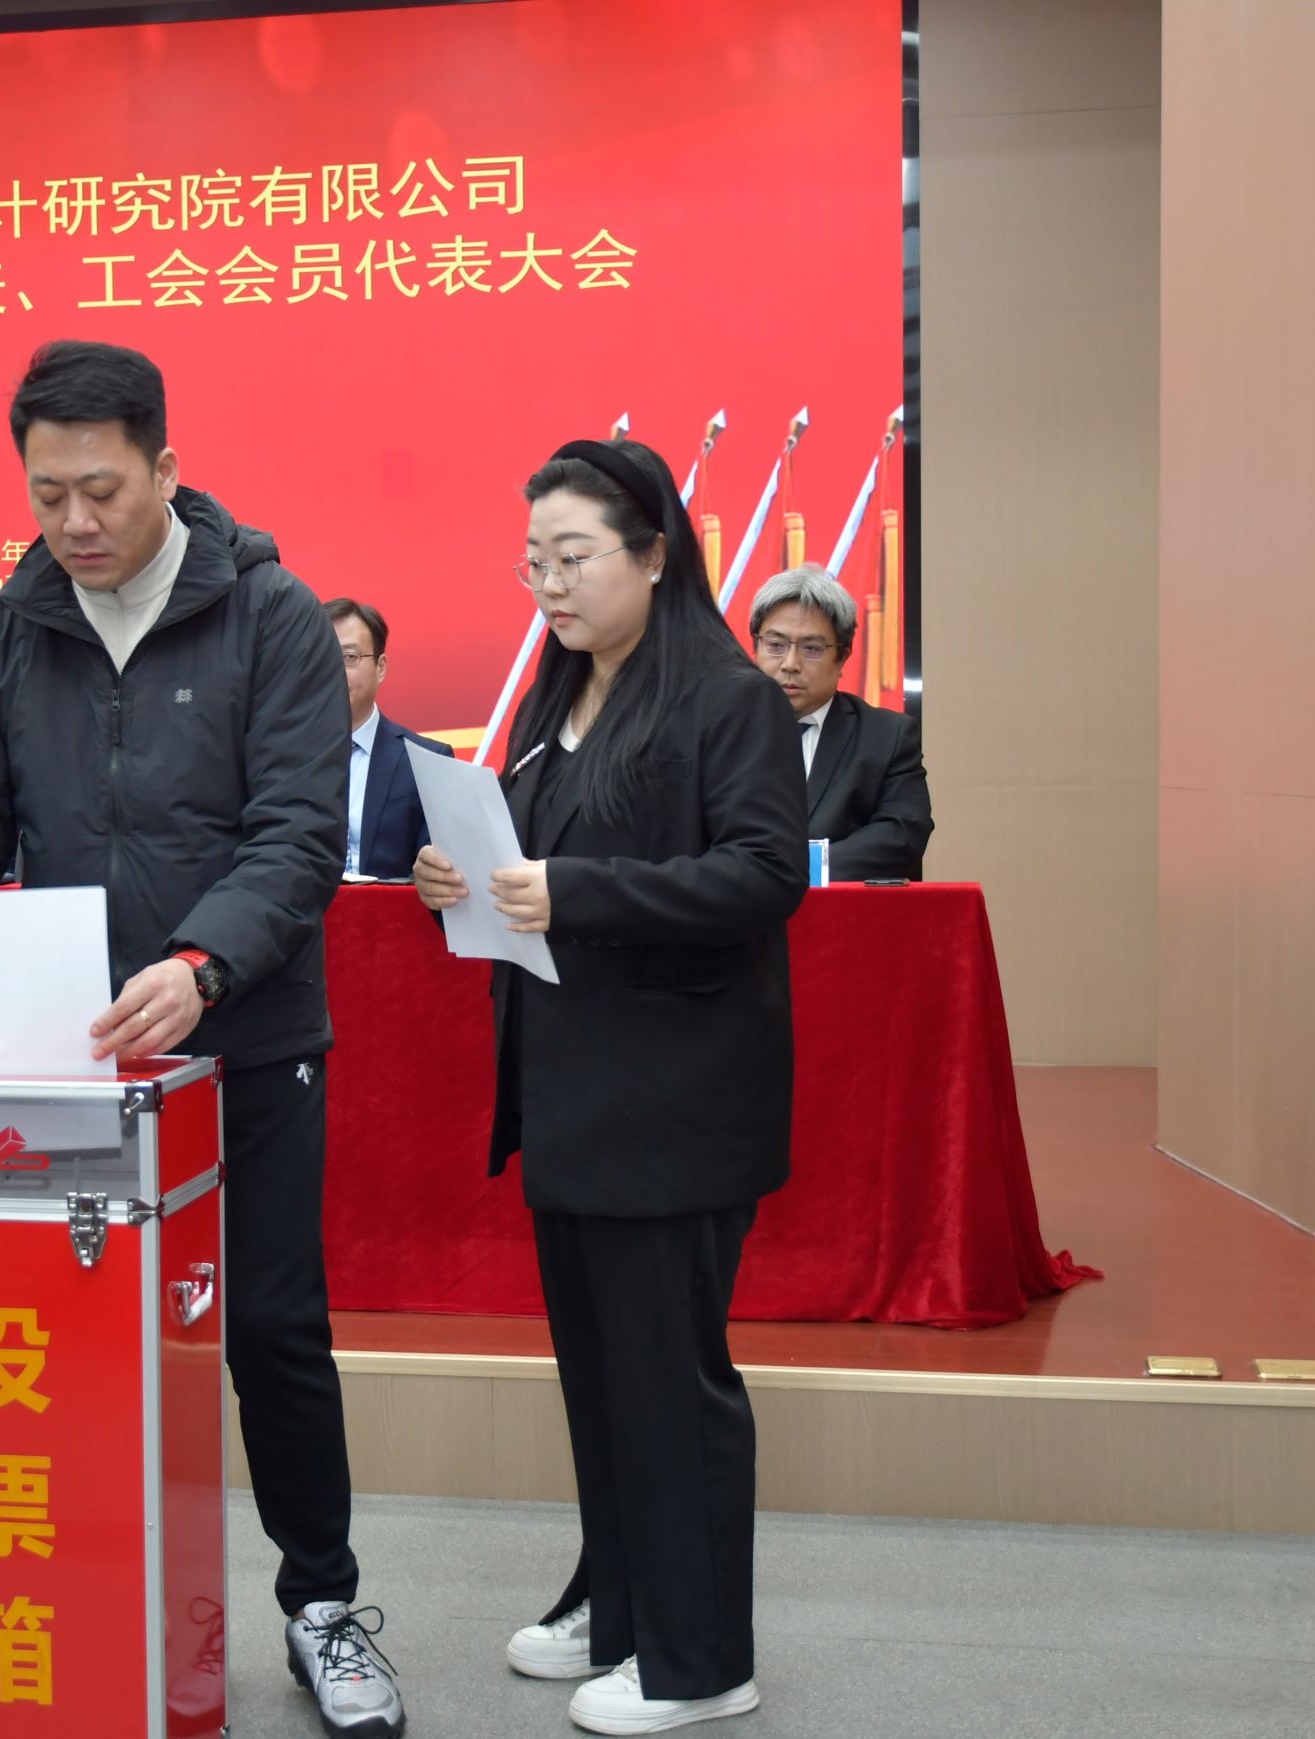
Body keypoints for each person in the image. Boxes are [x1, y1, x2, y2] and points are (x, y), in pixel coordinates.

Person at [0, 340, 404, 1739]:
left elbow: (297, 833)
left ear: (166, 468)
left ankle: (322, 1603)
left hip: (246, 1039)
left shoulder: (271, 615)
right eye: (47, 493)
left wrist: (201, 963)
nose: (74, 521)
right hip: (75, 1056)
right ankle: (91, 1593)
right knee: (71, 1335)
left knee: (271, 1330)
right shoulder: (8, 629)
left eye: (102, 490)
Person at [414, 436, 805, 1735]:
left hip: (672, 1097)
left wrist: (573, 890)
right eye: (533, 561)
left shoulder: (726, 698)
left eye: (572, 557)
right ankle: (621, 1597)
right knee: (600, 1376)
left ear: (652, 553)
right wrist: (457, 880)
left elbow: (762, 874)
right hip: (572, 1088)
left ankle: (700, 1658)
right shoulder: (557, 695)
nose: (549, 585)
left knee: (668, 1381)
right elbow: (529, 860)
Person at [749, 563, 933, 880]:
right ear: (755, 648)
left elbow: (902, 832)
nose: (790, 664)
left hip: (837, 907)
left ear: (842, 657)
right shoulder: (717, 731)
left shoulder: (886, 737)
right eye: (776, 646)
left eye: (811, 648)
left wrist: (805, 869)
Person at [324, 597, 453, 879]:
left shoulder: (428, 761)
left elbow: (440, 878)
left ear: (380, 667)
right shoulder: (281, 756)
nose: (334, 670)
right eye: (322, 656)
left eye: (349, 658)